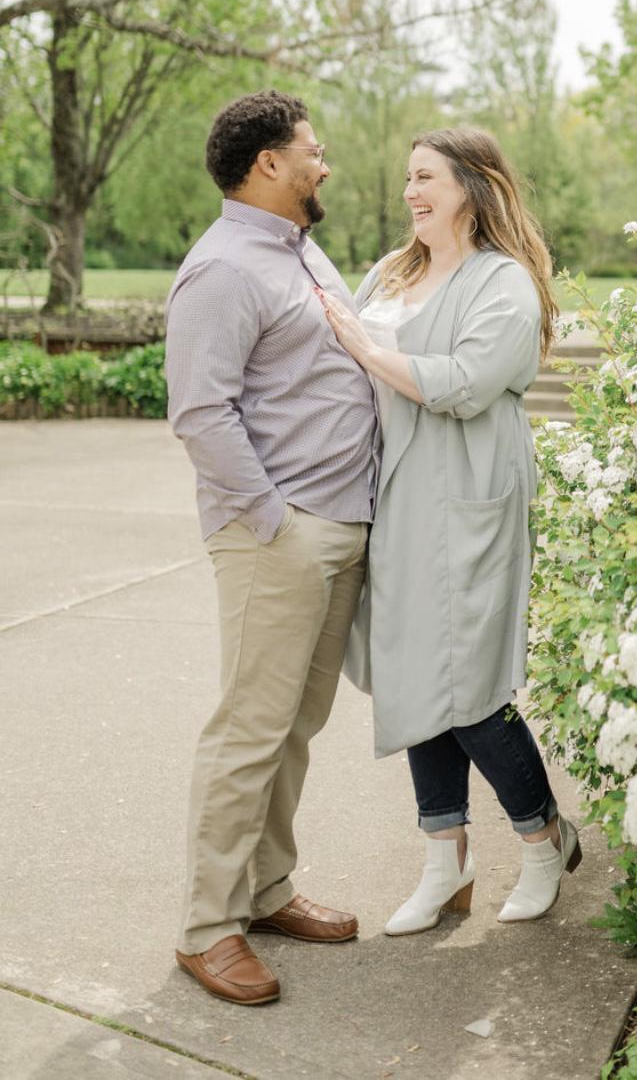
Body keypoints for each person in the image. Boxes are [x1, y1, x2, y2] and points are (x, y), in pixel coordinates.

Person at [317, 125, 582, 934]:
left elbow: (464, 384)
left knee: (469, 684)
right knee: (413, 674)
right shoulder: (390, 271)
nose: (410, 192)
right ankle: (446, 861)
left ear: (472, 184)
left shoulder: (504, 284)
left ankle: (542, 839)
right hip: (396, 496)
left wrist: (366, 350)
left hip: (468, 495)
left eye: (426, 176)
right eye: (408, 177)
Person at [165, 90, 379, 1006]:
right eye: (312, 151)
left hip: (337, 522)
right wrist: (272, 523)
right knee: (249, 730)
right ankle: (207, 927)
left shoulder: (297, 248)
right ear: (269, 164)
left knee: (294, 725)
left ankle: (265, 889)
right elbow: (199, 412)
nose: (323, 164)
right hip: (278, 533)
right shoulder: (221, 270)